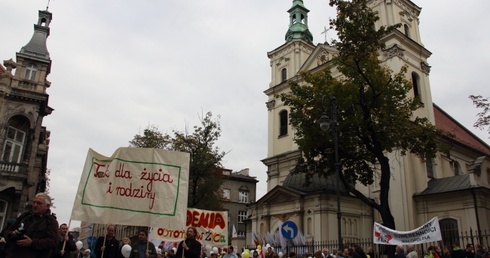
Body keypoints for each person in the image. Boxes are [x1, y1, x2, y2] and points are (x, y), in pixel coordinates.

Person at [5, 192, 59, 258]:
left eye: (39, 203)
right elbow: (7, 231)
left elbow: (53, 242)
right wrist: (12, 234)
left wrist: (32, 243)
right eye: (34, 202)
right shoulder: (25, 216)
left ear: (47, 206)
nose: (35, 205)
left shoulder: (50, 221)